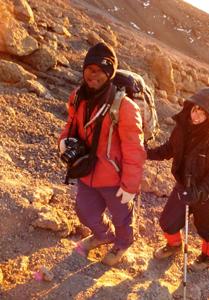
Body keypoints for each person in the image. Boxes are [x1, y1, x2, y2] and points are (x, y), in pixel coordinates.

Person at [58, 42, 146, 266]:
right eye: (89, 69)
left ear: (110, 73)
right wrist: (63, 141)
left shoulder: (124, 107)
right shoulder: (78, 96)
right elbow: (71, 123)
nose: (93, 75)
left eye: (100, 70)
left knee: (122, 218)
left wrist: (130, 186)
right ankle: (104, 235)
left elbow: (134, 150)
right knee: (85, 212)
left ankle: (123, 243)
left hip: (114, 178)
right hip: (86, 170)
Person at [147, 87, 209, 271]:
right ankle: (174, 245)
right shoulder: (183, 128)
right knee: (168, 221)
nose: (196, 114)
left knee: (207, 228)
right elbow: (169, 148)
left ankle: (207, 256)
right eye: (195, 108)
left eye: (203, 112)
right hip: (185, 185)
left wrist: (199, 193)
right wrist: (147, 153)